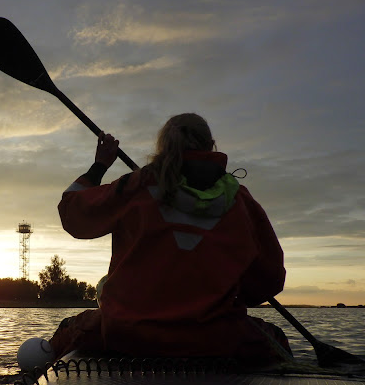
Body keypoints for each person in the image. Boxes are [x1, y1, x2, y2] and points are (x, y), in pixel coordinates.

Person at [49, 113, 292, 366]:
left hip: (128, 336)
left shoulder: (135, 186)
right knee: (276, 339)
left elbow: (72, 213)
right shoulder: (241, 202)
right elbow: (268, 282)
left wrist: (99, 165)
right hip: (215, 340)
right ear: (211, 146)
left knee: (69, 331)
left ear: (163, 147)